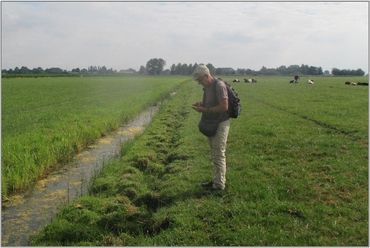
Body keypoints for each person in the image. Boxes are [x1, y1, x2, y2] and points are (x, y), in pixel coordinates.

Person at [192, 64, 230, 191]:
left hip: (220, 123)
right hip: (211, 122)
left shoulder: (219, 85)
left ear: (206, 76)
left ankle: (219, 186)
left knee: (219, 154)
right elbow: (212, 103)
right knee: (214, 154)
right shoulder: (207, 88)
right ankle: (216, 180)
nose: (199, 83)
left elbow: (224, 106)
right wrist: (201, 104)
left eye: (199, 80)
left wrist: (205, 109)